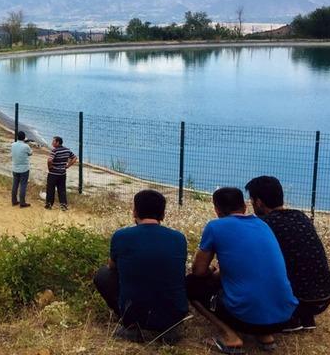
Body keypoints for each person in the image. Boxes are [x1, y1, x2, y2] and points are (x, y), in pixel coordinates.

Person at [186, 187, 297, 354]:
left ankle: (230, 337)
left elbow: (198, 271)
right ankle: (265, 337)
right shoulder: (263, 225)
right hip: (284, 317)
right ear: (245, 206)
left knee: (191, 284)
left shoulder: (216, 227)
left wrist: (210, 271)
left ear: (216, 209)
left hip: (248, 318)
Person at [94, 190, 188, 343]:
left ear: (135, 212)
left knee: (103, 275)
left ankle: (131, 327)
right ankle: (170, 329)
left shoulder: (121, 236)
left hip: (135, 313)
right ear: (163, 214)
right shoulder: (178, 238)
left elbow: (112, 267)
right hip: (174, 315)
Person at [246, 176, 330, 331]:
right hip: (325, 297)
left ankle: (290, 319)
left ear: (259, 202)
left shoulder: (264, 225)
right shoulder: (300, 216)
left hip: (297, 300)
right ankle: (305, 318)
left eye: (252, 201)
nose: (252, 205)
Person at [46, 136, 77, 211]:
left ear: (57, 142)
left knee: (50, 189)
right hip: (62, 174)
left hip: (53, 174)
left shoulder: (54, 151)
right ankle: (63, 205)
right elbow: (75, 158)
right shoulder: (67, 150)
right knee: (62, 190)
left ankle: (49, 205)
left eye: (53, 141)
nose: (52, 143)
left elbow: (49, 160)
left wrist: (50, 167)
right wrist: (67, 166)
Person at [10, 131, 32, 208]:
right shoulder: (26, 146)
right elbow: (30, 153)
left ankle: (14, 201)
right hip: (24, 169)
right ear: (24, 137)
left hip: (15, 168)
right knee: (23, 185)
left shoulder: (12, 145)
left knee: (15, 185)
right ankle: (22, 203)